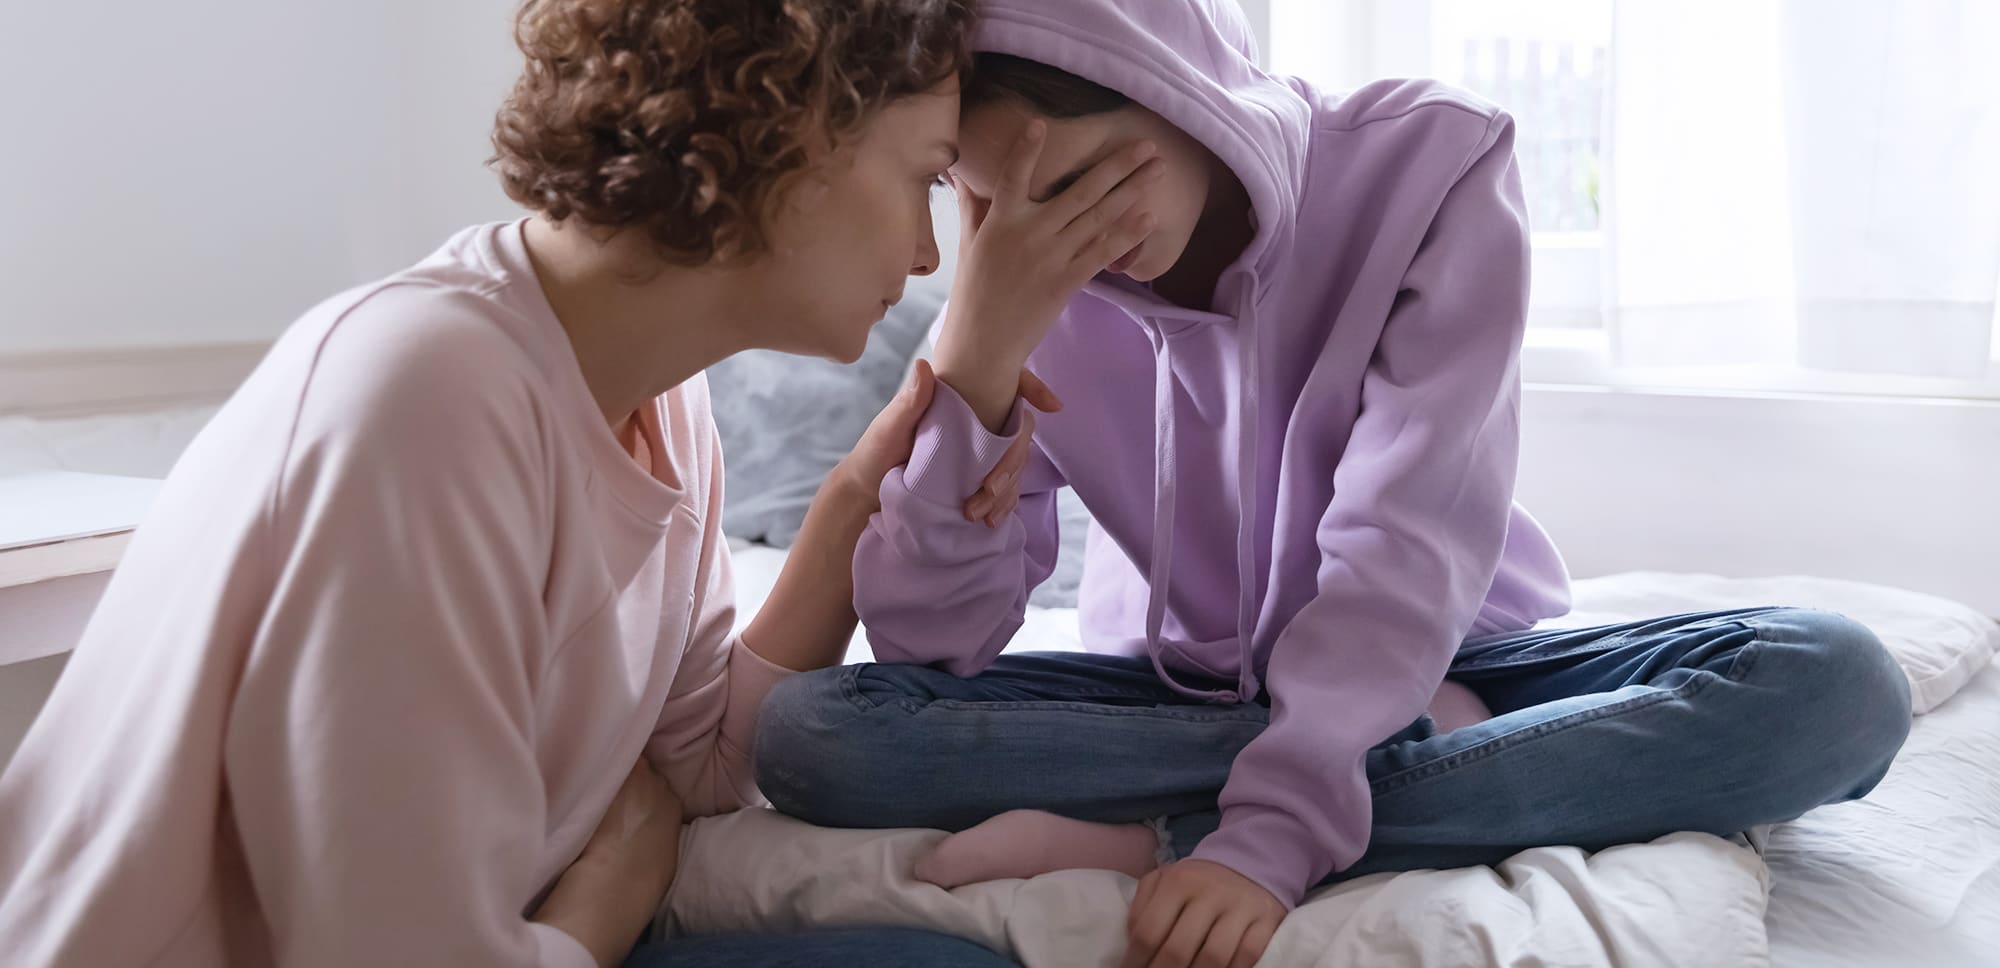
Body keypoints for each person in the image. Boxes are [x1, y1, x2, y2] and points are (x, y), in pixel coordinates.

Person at [753, 1, 1915, 966]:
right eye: (991, 204)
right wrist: (973, 372)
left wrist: (1265, 833)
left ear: (1167, 84)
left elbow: (1399, 541)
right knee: (811, 734)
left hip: (1451, 654)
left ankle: (1163, 822)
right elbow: (928, 646)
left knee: (1836, 682)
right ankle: (1390, 772)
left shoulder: (1430, 168)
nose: (1057, 239)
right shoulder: (1025, 279)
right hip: (1180, 689)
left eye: (1076, 184)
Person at [0, 1, 1144, 965]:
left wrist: (856, 492)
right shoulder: (426, 398)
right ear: (793, 134)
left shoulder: (662, 403)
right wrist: (616, 880)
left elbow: (699, 761)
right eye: (925, 179)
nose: (926, 255)